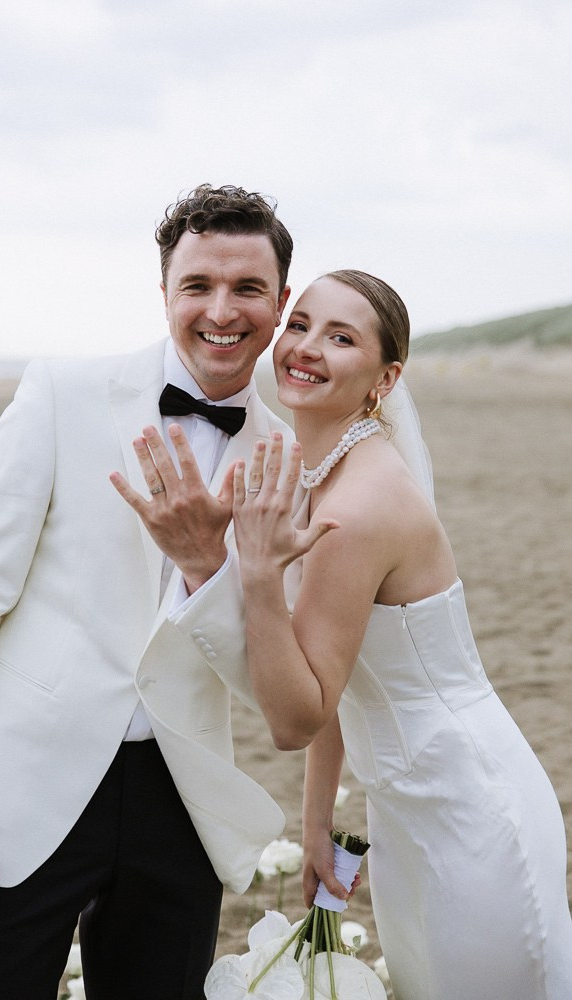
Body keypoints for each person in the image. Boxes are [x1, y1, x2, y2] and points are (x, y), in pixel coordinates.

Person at [0, 184, 296, 1000]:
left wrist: (205, 570)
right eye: (197, 286)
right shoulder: (60, 395)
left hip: (181, 797)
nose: (221, 310)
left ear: (279, 300)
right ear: (163, 293)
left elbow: (261, 663)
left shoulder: (283, 454)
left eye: (247, 288)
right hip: (26, 790)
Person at [230, 269, 572, 999]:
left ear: (383, 380)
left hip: (471, 810)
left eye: (341, 337)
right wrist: (316, 819)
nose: (307, 347)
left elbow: (295, 716)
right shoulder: (319, 473)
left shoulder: (358, 505)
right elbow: (333, 668)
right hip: (399, 813)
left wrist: (258, 577)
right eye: (300, 324)